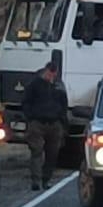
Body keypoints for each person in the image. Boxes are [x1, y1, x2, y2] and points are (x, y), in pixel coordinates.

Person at [21, 62, 68, 190]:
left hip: (54, 123)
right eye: (49, 73)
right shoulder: (34, 85)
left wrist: (62, 122)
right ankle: (36, 181)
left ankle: (46, 179)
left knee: (52, 153)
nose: (50, 75)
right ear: (45, 71)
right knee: (36, 151)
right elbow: (25, 102)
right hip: (37, 123)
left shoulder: (58, 86)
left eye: (53, 73)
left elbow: (64, 104)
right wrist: (30, 117)